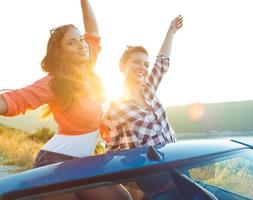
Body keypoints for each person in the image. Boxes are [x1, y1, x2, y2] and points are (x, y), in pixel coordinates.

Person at [0, 0, 106, 168]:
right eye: (71, 42)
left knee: (121, 196)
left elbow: (92, 32)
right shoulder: (55, 82)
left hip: (83, 162)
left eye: (81, 39)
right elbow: (17, 99)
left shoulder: (87, 65)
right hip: (54, 161)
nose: (81, 44)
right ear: (62, 54)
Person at [105, 15, 183, 151]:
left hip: (175, 160)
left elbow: (161, 62)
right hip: (149, 169)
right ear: (122, 66)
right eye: (136, 62)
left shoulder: (149, 89)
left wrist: (171, 31)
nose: (142, 68)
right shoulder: (114, 107)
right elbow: (111, 146)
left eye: (146, 64)